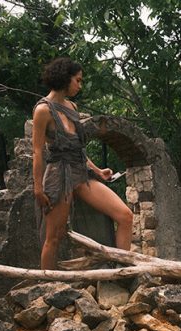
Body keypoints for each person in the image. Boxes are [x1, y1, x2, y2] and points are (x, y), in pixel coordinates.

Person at [32, 57, 133, 269]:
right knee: (54, 237)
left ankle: (121, 273)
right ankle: (47, 286)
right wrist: (38, 188)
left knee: (125, 215)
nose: (80, 85)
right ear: (64, 78)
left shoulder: (72, 106)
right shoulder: (43, 110)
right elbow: (38, 151)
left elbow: (77, 147)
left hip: (81, 174)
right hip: (59, 177)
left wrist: (98, 171)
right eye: (77, 80)